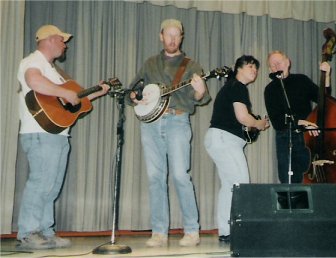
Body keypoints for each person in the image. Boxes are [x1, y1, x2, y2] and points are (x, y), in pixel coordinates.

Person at [17, 25, 110, 250]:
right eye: (61, 40)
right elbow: (34, 81)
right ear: (48, 40)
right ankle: (28, 233)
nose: (65, 44)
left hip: (56, 134)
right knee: (41, 183)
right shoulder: (34, 61)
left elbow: (72, 99)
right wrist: (63, 92)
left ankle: (46, 231)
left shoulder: (54, 70)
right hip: (39, 133)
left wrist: (98, 91)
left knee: (52, 185)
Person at [127, 19, 210, 247]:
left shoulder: (192, 66)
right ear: (161, 36)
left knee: (180, 176)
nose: (173, 39)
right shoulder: (150, 63)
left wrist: (200, 91)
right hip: (150, 124)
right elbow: (132, 91)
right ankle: (159, 232)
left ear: (181, 38)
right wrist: (135, 95)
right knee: (155, 178)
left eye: (177, 35)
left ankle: (192, 230)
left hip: (177, 120)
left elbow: (200, 98)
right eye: (169, 35)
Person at [204, 55, 269, 243]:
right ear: (237, 68)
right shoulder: (238, 87)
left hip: (219, 138)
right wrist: (258, 123)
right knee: (241, 185)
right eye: (250, 66)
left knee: (229, 187)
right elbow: (243, 118)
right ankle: (242, 231)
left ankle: (227, 231)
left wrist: (253, 124)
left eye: (256, 68)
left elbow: (238, 120)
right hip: (225, 139)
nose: (254, 71)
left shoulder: (231, 88)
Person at [264, 50, 330, 184]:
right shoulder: (270, 90)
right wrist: (304, 122)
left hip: (308, 138)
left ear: (288, 62)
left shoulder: (302, 80)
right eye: (272, 65)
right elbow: (277, 121)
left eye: (279, 62)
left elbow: (325, 100)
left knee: (311, 178)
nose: (276, 66)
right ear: (270, 69)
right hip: (285, 137)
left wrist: (327, 76)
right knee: (289, 181)